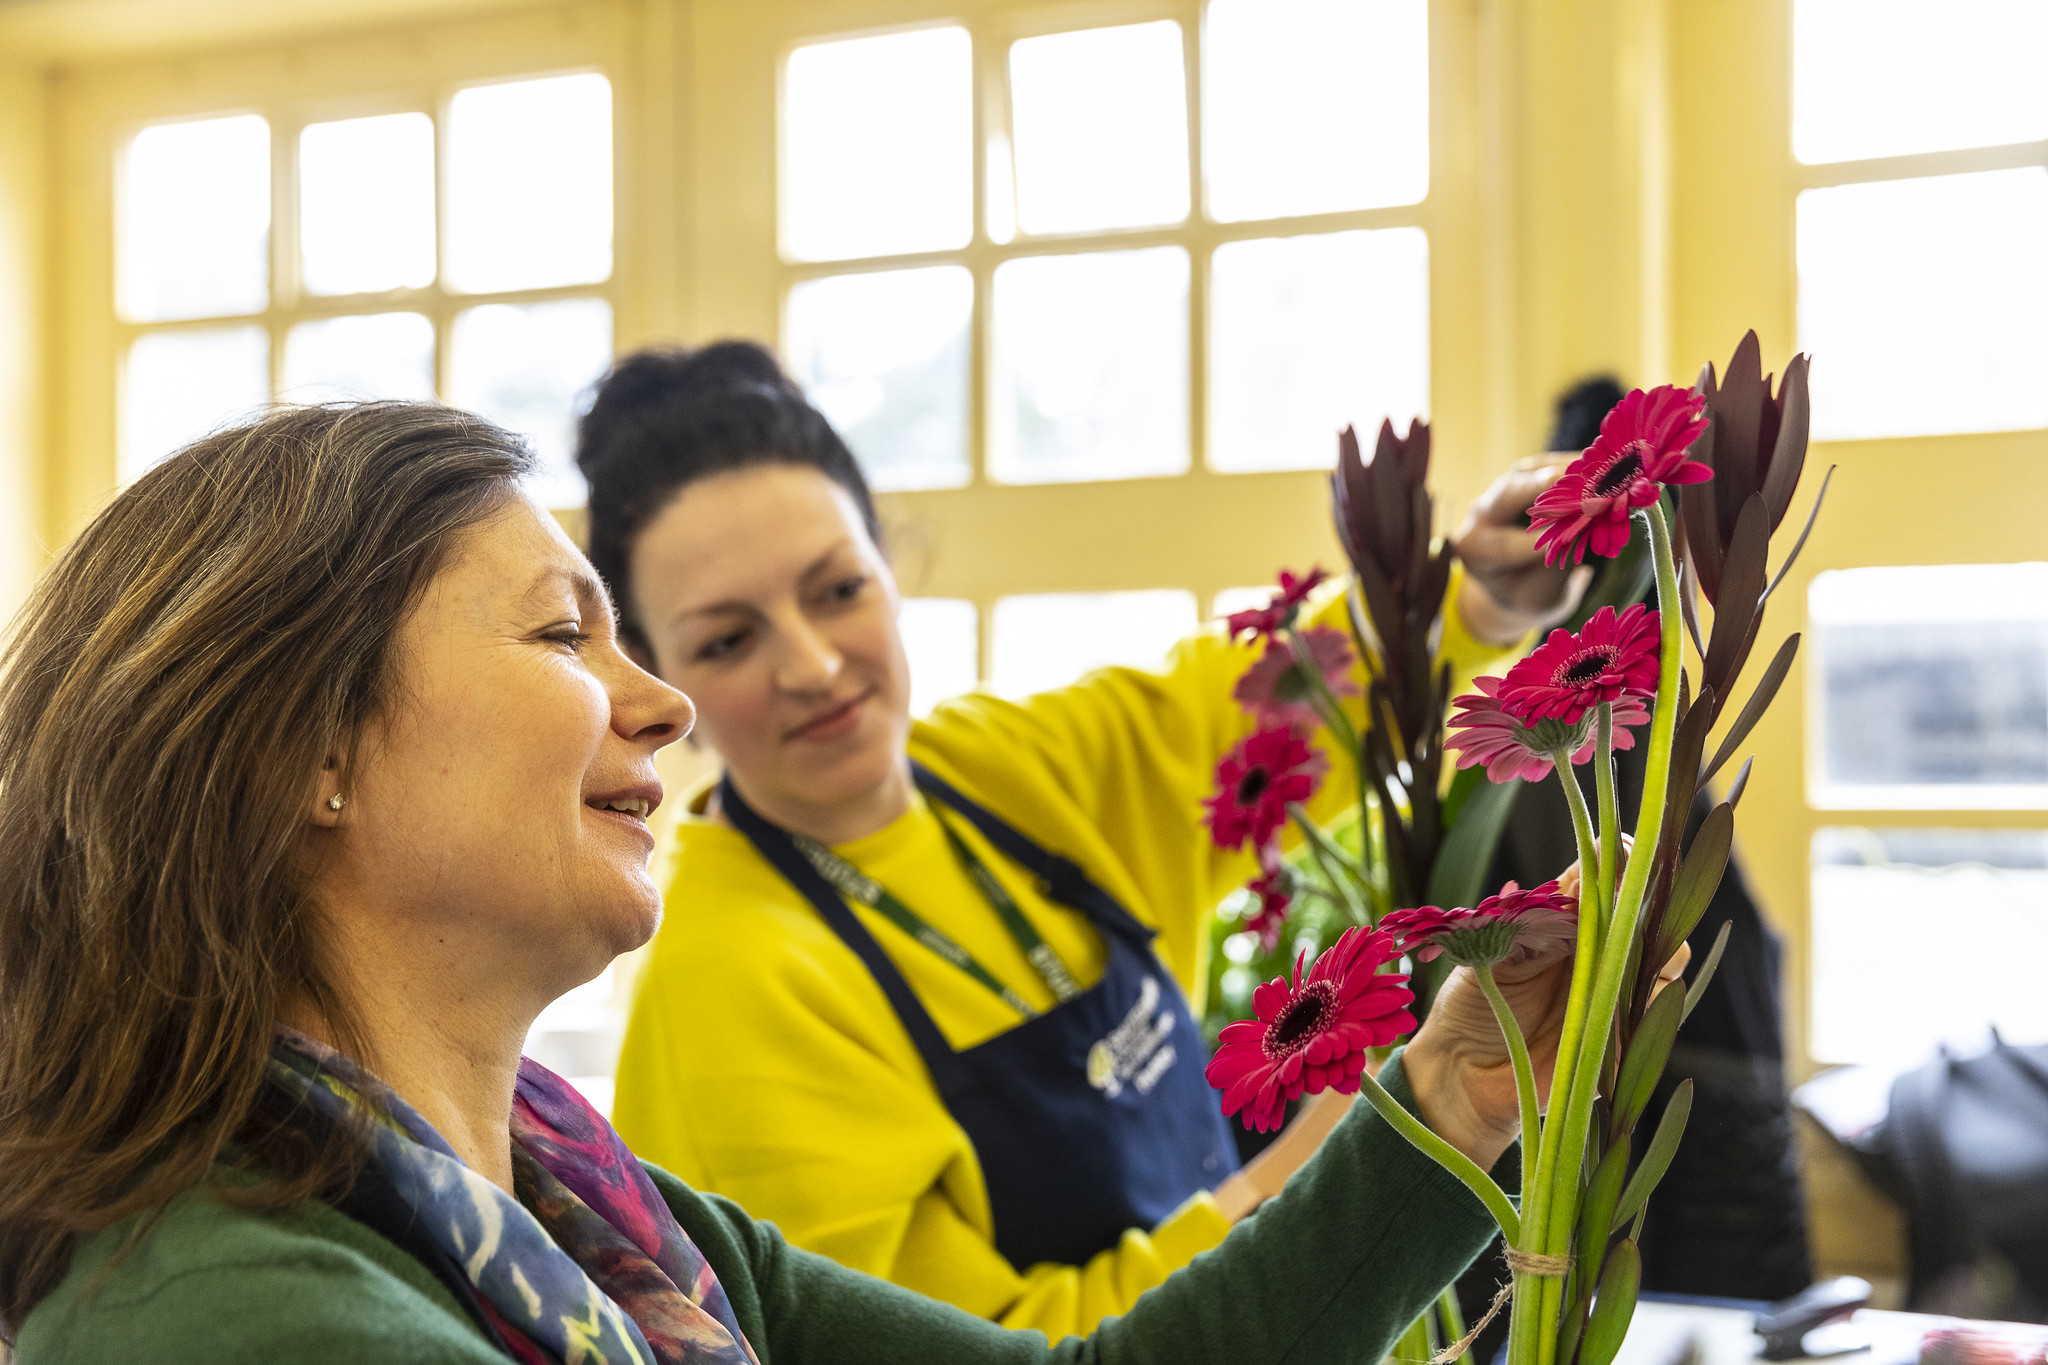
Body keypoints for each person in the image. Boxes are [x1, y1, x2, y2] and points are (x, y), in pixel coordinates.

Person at [0, 402, 1644, 1363]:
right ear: (309, 748)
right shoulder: (250, 1320)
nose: (671, 703)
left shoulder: (593, 1207)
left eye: (837, 590)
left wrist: (1453, 1085)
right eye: (568, 634)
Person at [584, 342, 1590, 1334]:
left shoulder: (1000, 771)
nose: (808, 665)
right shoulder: (729, 989)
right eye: (726, 640)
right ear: (655, 682)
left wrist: (1478, 597)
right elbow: (981, 1356)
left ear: (890, 573)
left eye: (836, 590)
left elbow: (1258, 710)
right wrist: (1343, 1158)